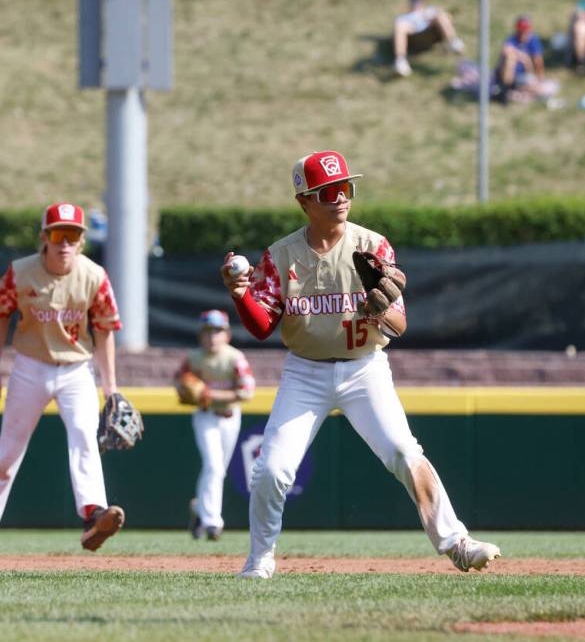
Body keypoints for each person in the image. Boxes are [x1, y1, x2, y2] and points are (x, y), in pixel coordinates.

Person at [220, 150, 501, 579]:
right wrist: (241, 294)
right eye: (327, 191)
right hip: (305, 371)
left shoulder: (372, 245)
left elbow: (400, 325)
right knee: (272, 470)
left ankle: (457, 543)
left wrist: (380, 311)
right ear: (304, 202)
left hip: (364, 367)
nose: (340, 197)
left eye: (346, 187)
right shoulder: (281, 255)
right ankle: (259, 560)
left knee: (405, 452)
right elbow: (262, 327)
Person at [0, 203, 126, 558]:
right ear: (44, 238)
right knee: (8, 452)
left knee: (85, 439)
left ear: (82, 241)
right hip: (30, 366)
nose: (64, 242)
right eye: (57, 233)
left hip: (76, 369)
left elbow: (105, 328)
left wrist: (110, 386)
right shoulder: (21, 272)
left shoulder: (94, 275)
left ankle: (93, 517)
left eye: (73, 235)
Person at [176, 309, 255, 541]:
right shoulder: (194, 358)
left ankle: (200, 508)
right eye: (208, 331)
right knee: (214, 466)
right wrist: (188, 392)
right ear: (201, 335)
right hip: (206, 417)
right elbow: (180, 389)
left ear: (227, 334)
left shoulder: (234, 358)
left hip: (230, 416)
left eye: (217, 331)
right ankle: (213, 523)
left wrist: (209, 394)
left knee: (217, 470)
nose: (212, 336)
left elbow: (247, 392)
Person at [393, 0, 465, 77]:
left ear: (423, 0)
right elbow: (400, 29)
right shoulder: (404, 17)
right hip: (414, 36)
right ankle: (401, 61)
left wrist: (431, 17)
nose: (416, 2)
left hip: (431, 32)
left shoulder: (430, 10)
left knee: (441, 15)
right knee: (400, 25)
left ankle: (453, 42)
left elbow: (448, 18)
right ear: (409, 2)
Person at [495, 15, 557, 104]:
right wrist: (522, 56)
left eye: (525, 31)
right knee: (510, 59)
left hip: (524, 76)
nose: (522, 34)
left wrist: (538, 76)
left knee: (534, 84)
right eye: (520, 31)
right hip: (508, 76)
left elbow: (537, 61)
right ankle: (505, 90)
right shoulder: (512, 40)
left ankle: (510, 92)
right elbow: (506, 51)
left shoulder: (533, 41)